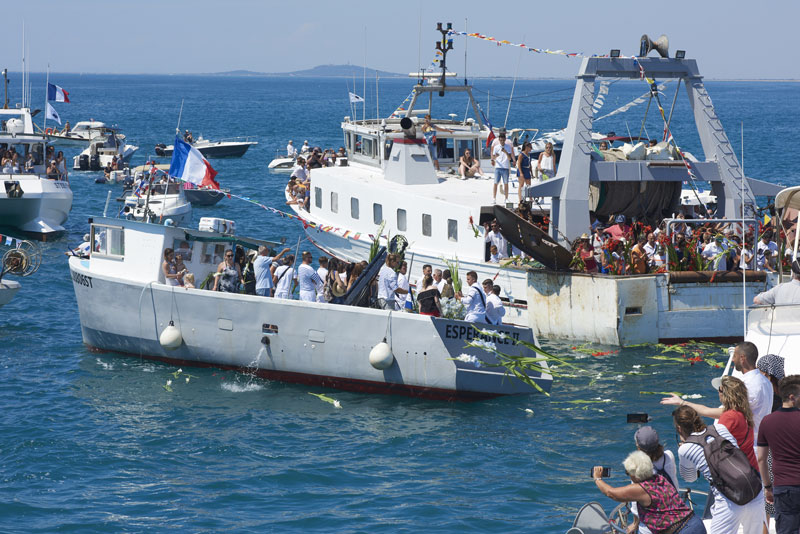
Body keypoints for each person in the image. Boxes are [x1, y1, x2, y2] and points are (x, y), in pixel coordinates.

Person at [673, 405, 766, 534]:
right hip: (754, 490)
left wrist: (685, 448)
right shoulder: (720, 428)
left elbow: (690, 478)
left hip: (729, 500)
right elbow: (736, 449)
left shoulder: (685, 449)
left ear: (679, 428)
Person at [663, 342, 773, 450]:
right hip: (760, 443)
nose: (733, 360)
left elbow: (725, 414)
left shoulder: (746, 386)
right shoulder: (766, 382)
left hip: (745, 446)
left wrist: (683, 403)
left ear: (742, 358)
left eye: (734, 356)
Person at [592, 451, 702, 534]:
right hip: (694, 524)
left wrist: (597, 479)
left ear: (635, 474)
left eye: (628, 472)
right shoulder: (659, 478)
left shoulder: (641, 489)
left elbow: (611, 493)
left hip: (684, 531)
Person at [756, 375, 800, 534]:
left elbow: (761, 459)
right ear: (792, 397)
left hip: (783, 487)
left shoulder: (767, 421)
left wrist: (768, 487)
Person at [491, 132, 514, 204]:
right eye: (501, 140)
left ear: (505, 139)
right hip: (498, 167)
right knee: (495, 183)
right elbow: (493, 157)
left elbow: (510, 158)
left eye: (503, 140)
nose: (502, 142)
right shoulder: (496, 147)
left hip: (505, 167)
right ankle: (494, 198)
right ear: (499, 140)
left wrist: (506, 152)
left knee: (506, 183)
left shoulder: (508, 147)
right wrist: (495, 156)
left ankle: (506, 198)